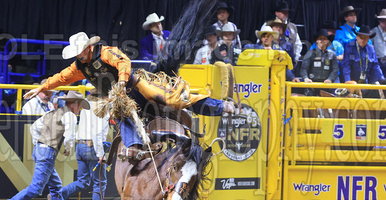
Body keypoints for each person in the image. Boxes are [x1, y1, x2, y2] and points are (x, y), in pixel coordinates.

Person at [24, 32, 237, 160]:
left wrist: (123, 82)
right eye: (77, 52)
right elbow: (61, 78)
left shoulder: (106, 52)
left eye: (80, 50)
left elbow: (123, 62)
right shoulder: (79, 66)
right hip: (119, 97)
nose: (79, 54)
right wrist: (41, 88)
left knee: (171, 100)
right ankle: (134, 148)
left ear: (89, 47)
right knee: (120, 114)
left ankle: (220, 107)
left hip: (135, 86)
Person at [0, 91, 90, 200]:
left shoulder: (52, 112)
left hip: (40, 150)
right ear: (74, 104)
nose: (80, 109)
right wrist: (68, 148)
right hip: (47, 152)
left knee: (56, 186)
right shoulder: (69, 115)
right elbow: (69, 135)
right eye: (80, 106)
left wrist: (39, 143)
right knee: (36, 188)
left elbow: (34, 128)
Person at [59, 95, 111, 200]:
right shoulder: (102, 109)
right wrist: (100, 153)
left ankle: (58, 195)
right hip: (92, 147)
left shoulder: (86, 106)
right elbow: (97, 133)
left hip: (80, 146)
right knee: (100, 183)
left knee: (83, 181)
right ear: (104, 96)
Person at [340, 26, 385, 96]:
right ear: (357, 37)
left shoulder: (371, 49)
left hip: (365, 84)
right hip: (353, 83)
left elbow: (376, 67)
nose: (362, 40)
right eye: (361, 38)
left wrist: (382, 81)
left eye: (365, 38)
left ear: (368, 39)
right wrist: (348, 81)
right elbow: (346, 65)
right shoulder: (350, 47)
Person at [300, 29, 340, 94]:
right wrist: (306, 78)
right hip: (312, 86)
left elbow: (335, 69)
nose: (322, 40)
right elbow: (303, 68)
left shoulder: (332, 54)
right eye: (320, 38)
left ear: (327, 41)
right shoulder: (310, 53)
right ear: (317, 41)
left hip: (327, 86)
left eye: (324, 39)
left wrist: (330, 79)